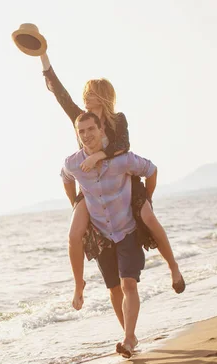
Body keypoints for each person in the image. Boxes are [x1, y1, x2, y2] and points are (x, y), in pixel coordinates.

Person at [39, 53, 185, 295]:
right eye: (85, 92)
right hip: (91, 185)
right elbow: (58, 92)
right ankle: (79, 285)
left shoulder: (118, 120)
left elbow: (123, 145)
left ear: (103, 96)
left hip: (124, 179)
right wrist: (43, 57)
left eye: (91, 92)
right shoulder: (80, 118)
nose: (85, 96)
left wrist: (100, 156)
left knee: (148, 216)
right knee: (74, 232)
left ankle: (173, 267)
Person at [61, 111, 157, 357]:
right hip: (102, 234)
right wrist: (76, 203)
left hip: (127, 229)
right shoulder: (73, 163)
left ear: (101, 130)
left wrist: (146, 199)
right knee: (114, 288)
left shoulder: (121, 159)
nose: (87, 135)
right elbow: (65, 177)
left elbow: (151, 169)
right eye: (81, 131)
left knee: (129, 284)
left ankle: (127, 339)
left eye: (91, 129)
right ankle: (130, 336)